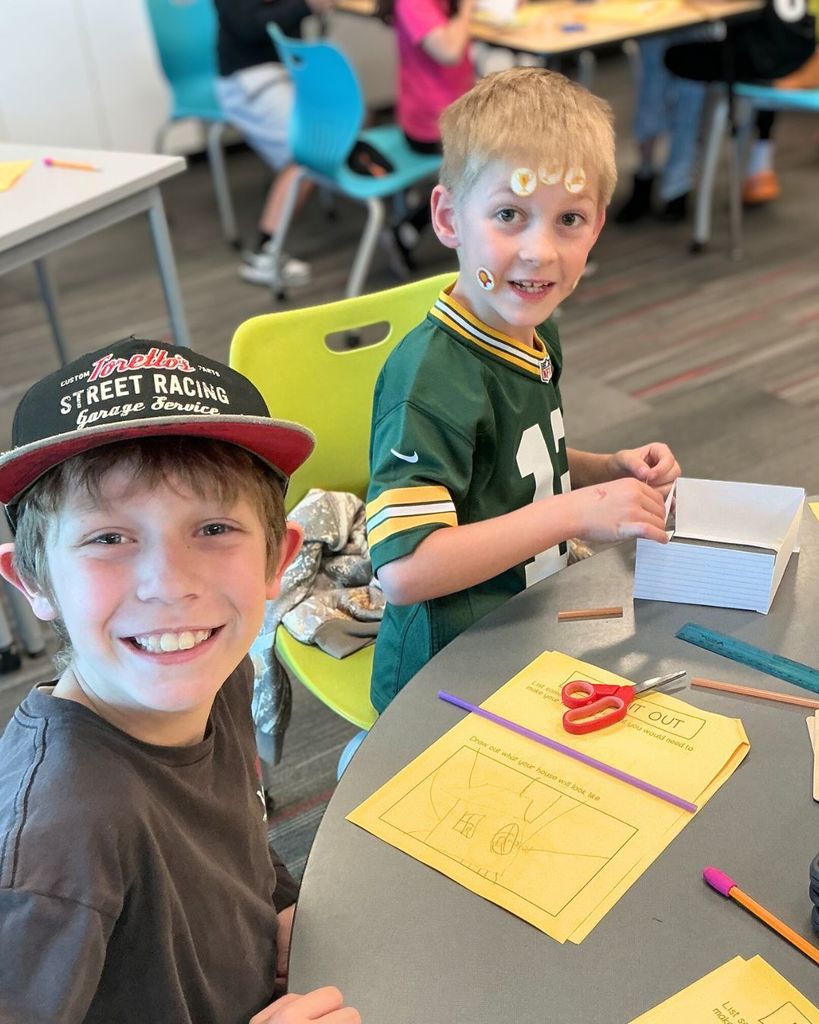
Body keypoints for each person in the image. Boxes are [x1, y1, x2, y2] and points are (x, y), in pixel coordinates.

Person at [0, 339, 360, 1024]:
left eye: (214, 528)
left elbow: (236, 841)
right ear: (34, 581)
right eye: (109, 539)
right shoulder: (53, 843)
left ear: (276, 560)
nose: (169, 586)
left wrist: (280, 910)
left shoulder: (219, 677)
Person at [365, 68, 681, 713]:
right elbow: (404, 571)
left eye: (570, 219)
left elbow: (514, 464)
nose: (539, 252)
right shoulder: (429, 379)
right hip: (448, 674)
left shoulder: (534, 328)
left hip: (533, 621)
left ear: (597, 228)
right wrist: (577, 513)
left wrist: (604, 470)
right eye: (509, 215)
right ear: (449, 218)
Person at [214, 0, 334, 288]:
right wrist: (306, 5)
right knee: (309, 152)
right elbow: (247, 26)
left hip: (284, 69)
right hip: (248, 75)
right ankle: (264, 254)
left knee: (353, 121)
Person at [664, 0, 816, 205]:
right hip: (798, 49)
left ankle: (677, 181)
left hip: (770, 59)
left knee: (674, 57)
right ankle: (755, 163)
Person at [376, 0, 476, 275]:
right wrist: (467, 9)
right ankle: (407, 229)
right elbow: (449, 52)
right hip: (432, 124)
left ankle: (408, 229)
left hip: (450, 112)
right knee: (501, 157)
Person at [615, 29, 715, 224]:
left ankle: (677, 185)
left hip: (698, 25)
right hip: (655, 23)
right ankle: (646, 175)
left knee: (689, 104)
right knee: (651, 97)